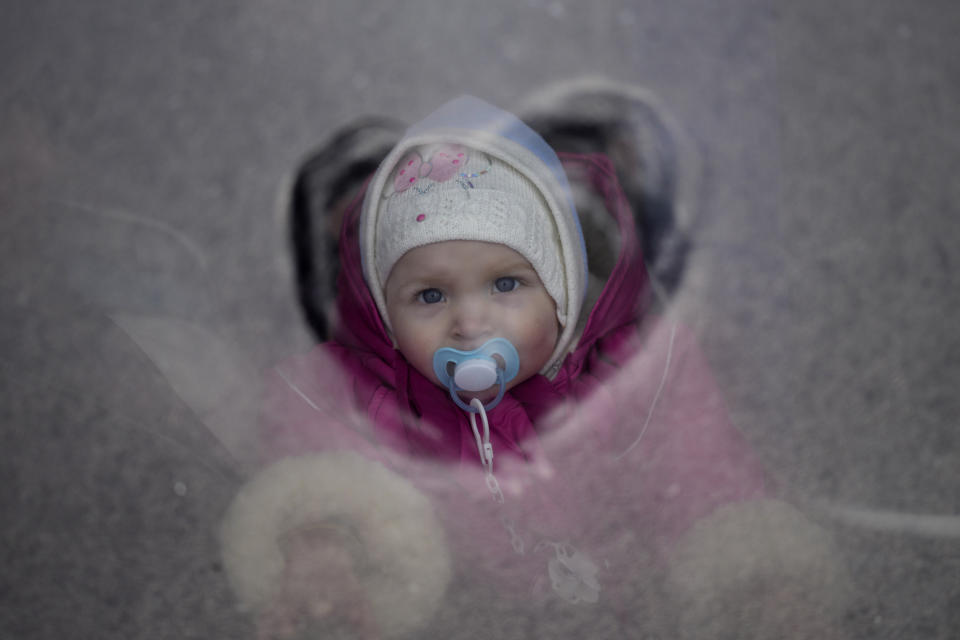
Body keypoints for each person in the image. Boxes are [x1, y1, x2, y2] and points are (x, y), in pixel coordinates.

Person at [220, 96, 854, 639]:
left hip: (627, 617)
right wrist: (324, 549)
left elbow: (708, 486)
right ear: (377, 311)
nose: (472, 325)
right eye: (430, 296)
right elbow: (317, 477)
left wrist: (762, 587)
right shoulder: (337, 393)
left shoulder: (644, 374)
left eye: (506, 284)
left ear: (563, 286)